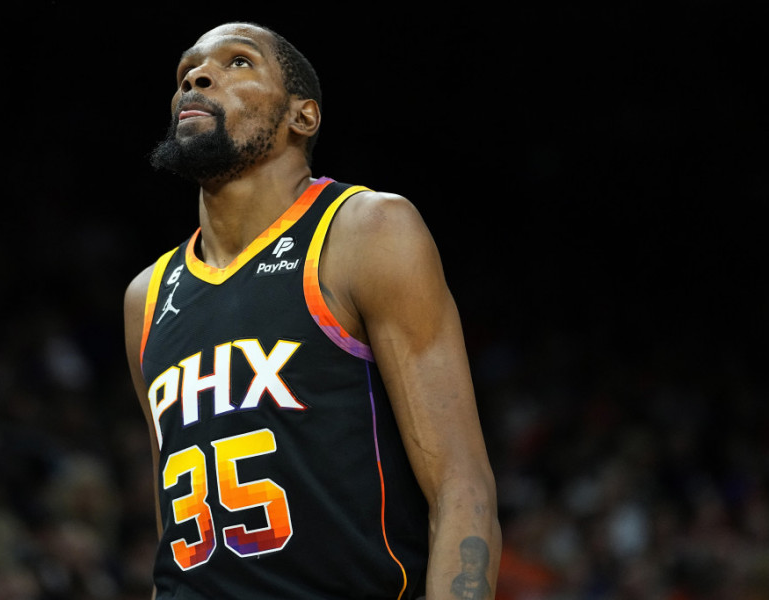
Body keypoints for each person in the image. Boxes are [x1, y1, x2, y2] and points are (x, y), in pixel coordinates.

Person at [123, 21, 501, 600]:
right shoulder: (146, 297)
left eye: (238, 62)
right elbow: (172, 542)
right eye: (187, 72)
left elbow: (461, 487)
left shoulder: (366, 230)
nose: (196, 78)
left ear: (302, 116)